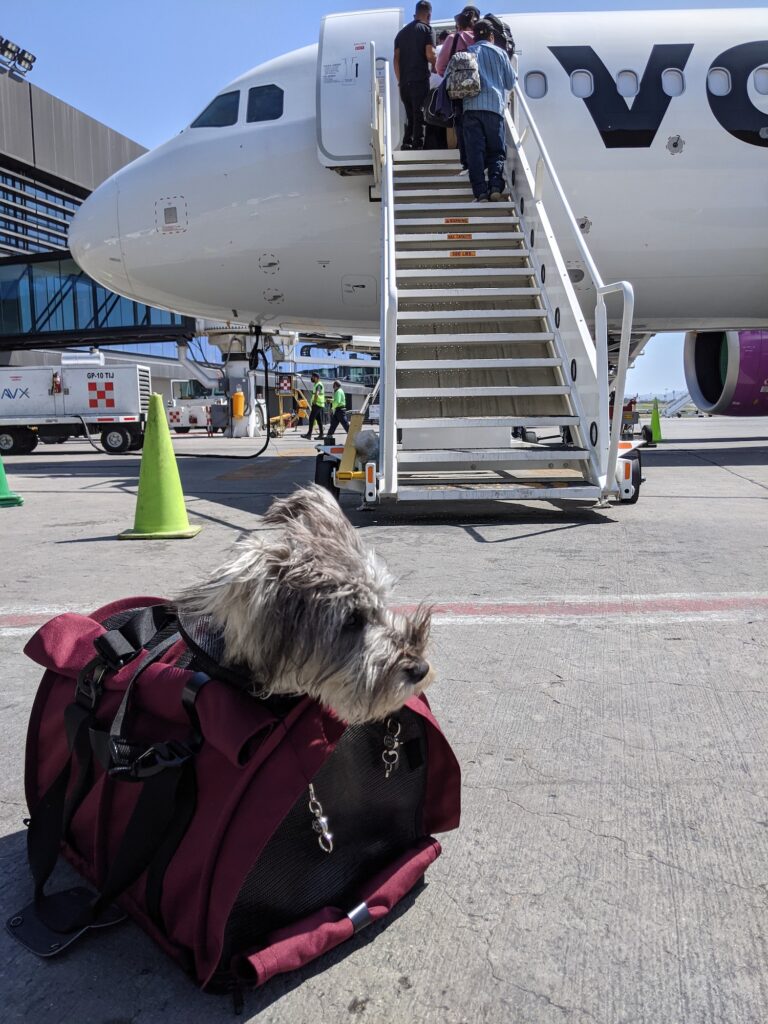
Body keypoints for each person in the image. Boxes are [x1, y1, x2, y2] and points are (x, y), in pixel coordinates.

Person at [462, 18, 517, 203]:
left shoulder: (466, 53)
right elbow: (510, 82)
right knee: (496, 151)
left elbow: (449, 80)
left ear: (474, 37)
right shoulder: (500, 53)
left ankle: (480, 192)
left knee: (475, 152)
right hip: (494, 109)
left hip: (471, 109)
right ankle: (495, 185)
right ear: (492, 36)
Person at [435, 7, 480, 172]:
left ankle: (467, 163)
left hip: (459, 91)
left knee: (460, 124)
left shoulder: (452, 39)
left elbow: (440, 67)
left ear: (458, 24)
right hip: (479, 89)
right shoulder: (480, 39)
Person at [394, 1, 436, 151]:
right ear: (429, 15)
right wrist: (437, 66)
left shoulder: (401, 33)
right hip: (419, 79)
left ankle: (407, 142)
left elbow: (396, 60)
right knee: (420, 114)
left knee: (410, 114)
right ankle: (418, 145)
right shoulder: (427, 30)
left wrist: (400, 81)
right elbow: (430, 54)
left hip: (404, 82)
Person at [302, 373, 326, 440]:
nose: (311, 378)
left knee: (311, 418)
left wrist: (314, 402)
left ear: (316, 378)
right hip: (318, 404)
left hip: (317, 404)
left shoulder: (318, 384)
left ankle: (309, 435)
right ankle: (321, 435)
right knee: (319, 420)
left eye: (313, 377)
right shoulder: (316, 384)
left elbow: (317, 394)